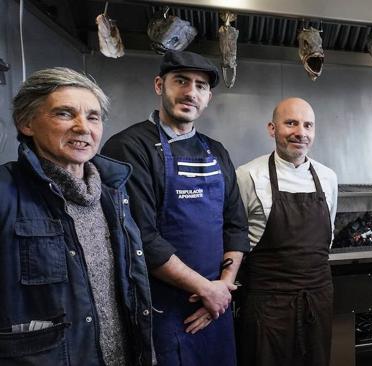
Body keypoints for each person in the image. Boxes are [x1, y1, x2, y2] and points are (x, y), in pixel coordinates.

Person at [101, 51, 249, 366]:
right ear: (159, 85)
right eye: (181, 81)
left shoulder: (216, 151)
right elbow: (142, 237)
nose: (190, 92)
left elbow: (236, 226)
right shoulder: (128, 147)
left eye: (200, 85)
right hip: (164, 310)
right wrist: (206, 290)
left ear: (208, 97)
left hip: (216, 308)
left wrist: (221, 289)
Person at [0, 67, 153, 365]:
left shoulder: (114, 193)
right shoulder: (6, 193)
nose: (83, 127)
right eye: (65, 114)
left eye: (93, 117)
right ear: (26, 122)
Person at [235, 97, 338, 366]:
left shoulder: (328, 178)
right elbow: (234, 238)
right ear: (272, 128)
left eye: (308, 125)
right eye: (290, 123)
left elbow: (327, 237)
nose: (300, 132)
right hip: (267, 304)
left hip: (317, 300)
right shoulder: (247, 175)